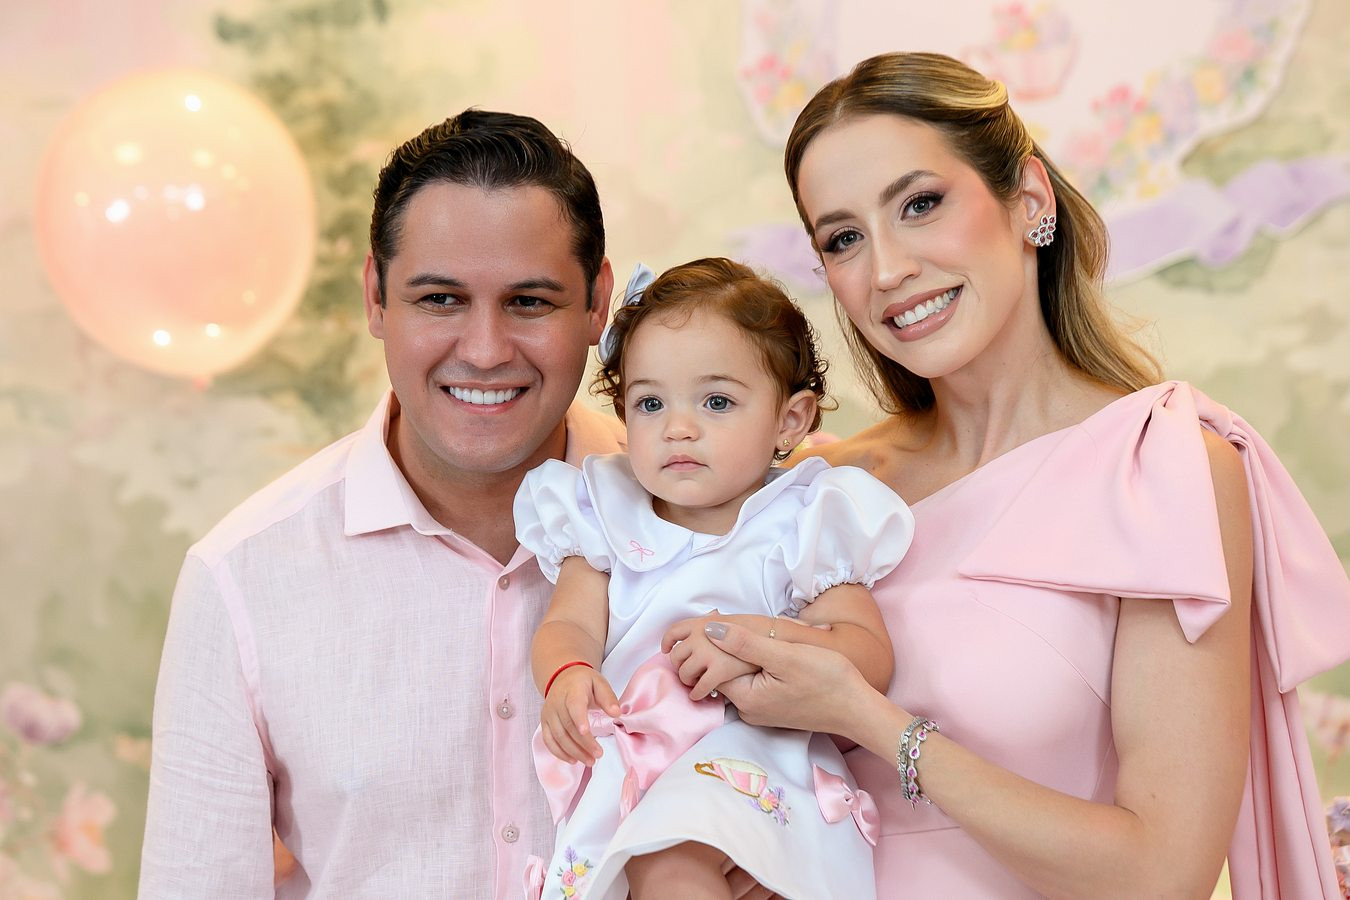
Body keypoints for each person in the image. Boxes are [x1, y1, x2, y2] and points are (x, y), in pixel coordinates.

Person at [704, 52, 1350, 898]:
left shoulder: (1160, 469)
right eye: (844, 239)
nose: (887, 269)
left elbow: (1165, 874)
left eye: (920, 204)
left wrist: (866, 717)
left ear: (1030, 201)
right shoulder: (823, 489)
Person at [139, 109, 625, 898]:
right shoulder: (241, 580)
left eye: (530, 302)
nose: (485, 350)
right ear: (375, 296)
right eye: (441, 299)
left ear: (597, 303)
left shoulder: (719, 521)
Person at [514, 258, 914, 899]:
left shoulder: (803, 521)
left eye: (717, 402)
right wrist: (566, 673)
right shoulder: (606, 513)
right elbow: (567, 623)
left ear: (790, 420)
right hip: (638, 759)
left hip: (755, 756)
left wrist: (754, 642)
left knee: (672, 864)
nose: (678, 427)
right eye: (650, 403)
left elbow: (867, 656)